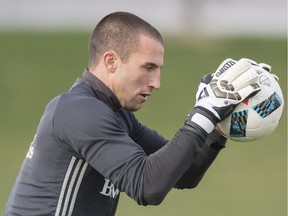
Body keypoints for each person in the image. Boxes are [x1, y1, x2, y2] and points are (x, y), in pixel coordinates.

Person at [5, 11, 263, 216]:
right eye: (148, 67)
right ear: (111, 61)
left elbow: (185, 173)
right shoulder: (79, 111)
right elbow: (147, 187)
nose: (156, 82)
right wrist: (204, 113)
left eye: (158, 69)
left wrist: (216, 127)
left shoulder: (115, 115)